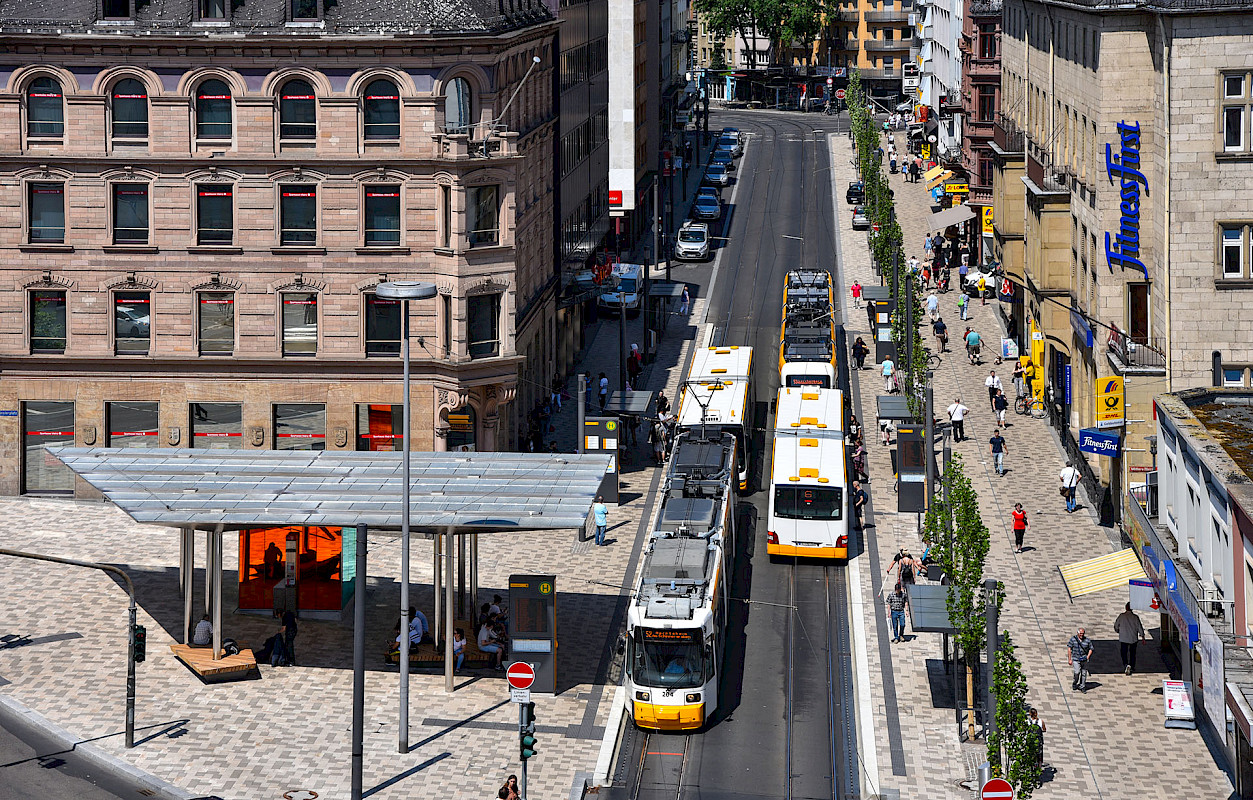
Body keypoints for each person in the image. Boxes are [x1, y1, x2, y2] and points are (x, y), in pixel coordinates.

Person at [1114, 603, 1147, 675]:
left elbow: (1116, 625)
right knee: (1132, 653)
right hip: (1133, 638)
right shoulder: (1135, 617)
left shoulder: (1121, 616)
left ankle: (1125, 664)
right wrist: (1143, 637)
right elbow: (1139, 628)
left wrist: (1117, 631)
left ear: (1126, 608)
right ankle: (1132, 665)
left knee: (1124, 652)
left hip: (1123, 638)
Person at [1067, 627, 1094, 691]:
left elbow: (1091, 648)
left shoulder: (1087, 640)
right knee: (1077, 672)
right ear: (1078, 633)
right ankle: (1075, 683)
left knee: (1084, 673)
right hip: (1076, 659)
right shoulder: (1073, 639)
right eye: (1080, 633)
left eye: (1083, 633)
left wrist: (1088, 656)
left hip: (1084, 659)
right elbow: (1069, 649)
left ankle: (1082, 686)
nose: (1082, 635)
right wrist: (1069, 659)